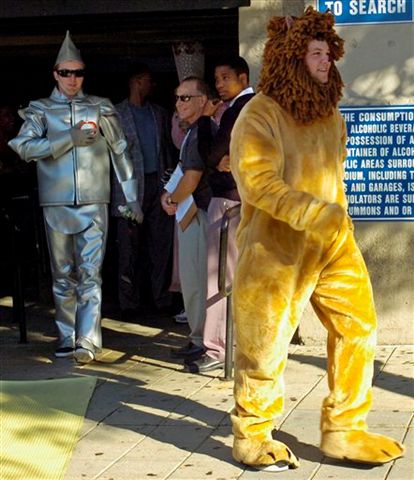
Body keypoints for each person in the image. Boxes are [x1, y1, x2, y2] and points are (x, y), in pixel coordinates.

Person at [229, 7, 405, 472]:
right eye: (316, 54)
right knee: (264, 344)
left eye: (329, 54)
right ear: (292, 58)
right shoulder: (258, 114)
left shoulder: (329, 114)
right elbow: (258, 183)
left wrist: (338, 220)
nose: (327, 62)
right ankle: (252, 435)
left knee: (358, 327)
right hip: (276, 249)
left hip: (332, 243)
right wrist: (316, 213)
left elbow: (335, 176)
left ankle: (345, 428)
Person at [9, 31, 142, 364]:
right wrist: (67, 138)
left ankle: (87, 338)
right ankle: (66, 336)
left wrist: (132, 197)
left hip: (94, 201)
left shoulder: (100, 107)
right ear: (55, 74)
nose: (72, 79)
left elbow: (120, 150)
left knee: (91, 272)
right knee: (62, 273)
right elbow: (22, 147)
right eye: (66, 72)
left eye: (78, 72)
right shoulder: (40, 110)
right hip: (55, 202)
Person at [186, 56, 254, 373]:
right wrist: (219, 160)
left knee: (220, 277)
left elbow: (210, 155)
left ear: (243, 77)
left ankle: (217, 349)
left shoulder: (239, 109)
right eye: (217, 79)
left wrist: (204, 121)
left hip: (229, 201)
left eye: (226, 77)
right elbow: (217, 157)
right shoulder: (257, 107)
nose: (220, 84)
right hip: (244, 200)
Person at [111, 63, 175, 314]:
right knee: (128, 248)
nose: (152, 85)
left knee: (160, 244)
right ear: (137, 81)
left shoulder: (159, 113)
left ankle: (161, 300)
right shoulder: (115, 114)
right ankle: (128, 303)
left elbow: (167, 150)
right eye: (148, 80)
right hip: (127, 190)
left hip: (157, 186)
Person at [161, 77, 216, 362]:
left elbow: (192, 178)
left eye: (186, 98)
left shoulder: (202, 131)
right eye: (177, 97)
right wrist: (169, 195)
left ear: (202, 100)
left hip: (198, 213)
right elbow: (184, 171)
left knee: (197, 281)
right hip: (192, 211)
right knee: (193, 279)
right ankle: (199, 337)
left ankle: (203, 340)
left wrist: (172, 200)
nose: (179, 103)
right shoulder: (195, 131)